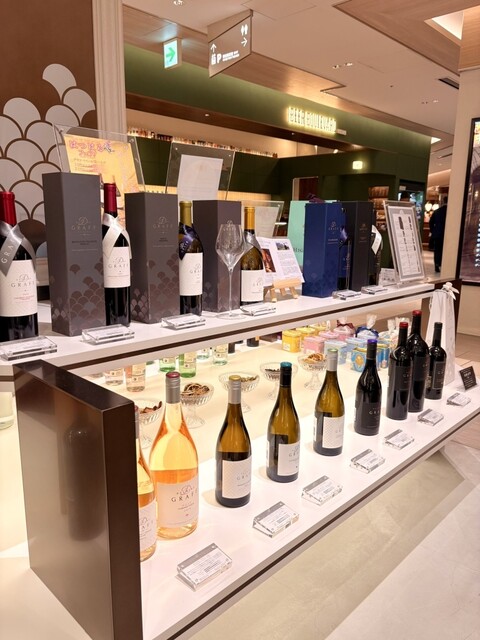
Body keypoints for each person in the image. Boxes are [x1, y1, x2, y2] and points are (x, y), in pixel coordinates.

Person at [429, 198, 447, 272]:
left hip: (437, 234)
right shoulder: (450, 211)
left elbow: (431, 222)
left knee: (437, 250)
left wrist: (433, 230)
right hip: (446, 234)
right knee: (445, 250)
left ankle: (437, 264)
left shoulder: (437, 211)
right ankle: (444, 264)